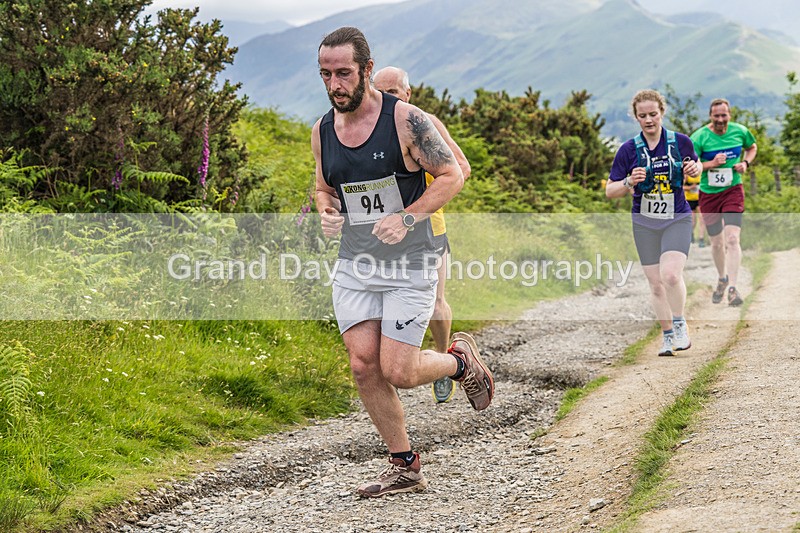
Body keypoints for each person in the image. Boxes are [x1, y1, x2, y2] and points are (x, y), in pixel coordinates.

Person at [311, 26, 495, 498]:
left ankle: (458, 361)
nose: (335, 85)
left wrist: (408, 219)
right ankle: (404, 464)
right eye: (326, 74)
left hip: (411, 261)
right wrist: (327, 210)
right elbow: (324, 187)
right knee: (362, 365)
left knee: (399, 370)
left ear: (367, 70)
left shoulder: (407, 120)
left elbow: (453, 174)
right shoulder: (322, 130)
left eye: (345, 73)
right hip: (355, 263)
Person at [372, 65, 472, 404]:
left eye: (394, 92)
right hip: (381, 231)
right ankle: (394, 366)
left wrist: (426, 189)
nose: (387, 98)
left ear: (408, 94)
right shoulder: (365, 126)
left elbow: (462, 167)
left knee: (435, 303)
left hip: (429, 227)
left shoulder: (421, 121)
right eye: (381, 91)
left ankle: (444, 359)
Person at [606, 89, 702, 356]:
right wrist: (628, 182)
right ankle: (667, 335)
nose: (649, 120)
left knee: (670, 275)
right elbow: (609, 190)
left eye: (653, 114)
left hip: (677, 217)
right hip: (645, 222)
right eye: (642, 115)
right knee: (655, 283)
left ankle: (680, 324)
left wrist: (696, 169)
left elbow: (696, 167)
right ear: (635, 117)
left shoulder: (680, 142)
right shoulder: (628, 150)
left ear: (662, 112)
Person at [690, 98, 757, 306]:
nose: (720, 119)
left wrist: (745, 163)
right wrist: (711, 163)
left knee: (732, 239)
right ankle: (722, 277)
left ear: (729, 115)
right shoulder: (700, 137)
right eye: (716, 116)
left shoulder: (740, 131)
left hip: (732, 190)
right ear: (710, 116)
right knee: (717, 243)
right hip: (709, 193)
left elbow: (752, 147)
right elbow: (692, 165)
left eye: (724, 115)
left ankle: (733, 289)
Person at [683, 171, 706, 247]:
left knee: (702, 219)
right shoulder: (687, 175)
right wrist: (690, 187)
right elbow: (681, 187)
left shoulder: (702, 174)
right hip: (689, 199)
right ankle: (691, 234)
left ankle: (701, 239)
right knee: (693, 220)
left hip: (700, 199)